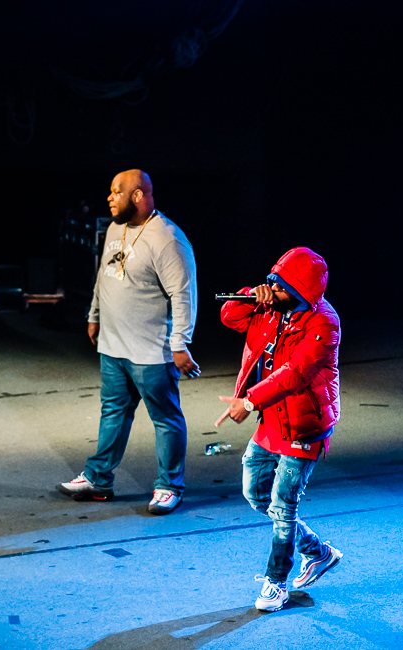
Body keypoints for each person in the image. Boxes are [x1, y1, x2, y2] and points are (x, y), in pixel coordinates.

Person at [57, 169, 200, 515]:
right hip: (114, 346)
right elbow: (103, 278)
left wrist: (180, 343)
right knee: (113, 413)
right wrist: (94, 315)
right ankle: (98, 479)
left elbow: (183, 295)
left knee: (165, 418)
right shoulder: (114, 228)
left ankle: (169, 486)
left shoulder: (167, 238)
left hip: (152, 351)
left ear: (137, 195)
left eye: (116, 191)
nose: (109, 197)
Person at [215, 246, 342, 612]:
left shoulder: (324, 322)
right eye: (271, 280)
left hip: (304, 425)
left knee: (283, 507)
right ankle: (318, 552)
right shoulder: (272, 309)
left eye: (280, 285)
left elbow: (297, 372)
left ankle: (276, 583)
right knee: (256, 494)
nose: (273, 288)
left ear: (302, 292)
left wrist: (249, 401)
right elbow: (229, 316)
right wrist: (252, 295)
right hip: (272, 419)